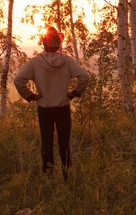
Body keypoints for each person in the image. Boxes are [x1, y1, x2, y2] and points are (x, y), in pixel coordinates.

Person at [14, 26, 90, 179]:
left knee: (46, 144)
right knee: (64, 144)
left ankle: (48, 176)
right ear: (58, 43)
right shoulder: (67, 60)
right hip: (63, 107)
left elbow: (18, 80)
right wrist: (74, 93)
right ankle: (67, 176)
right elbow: (85, 77)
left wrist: (31, 96)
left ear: (44, 43)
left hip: (44, 108)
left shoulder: (35, 62)